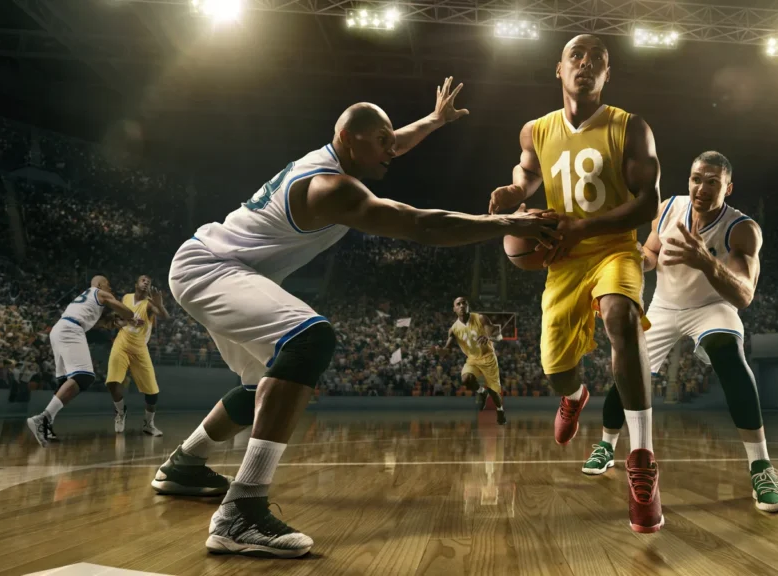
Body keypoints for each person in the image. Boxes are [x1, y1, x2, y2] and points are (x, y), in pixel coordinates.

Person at [153, 79, 560, 558]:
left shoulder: (337, 156)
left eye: (394, 139)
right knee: (310, 339)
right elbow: (419, 224)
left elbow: (395, 142)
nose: (394, 148)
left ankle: (185, 464)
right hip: (212, 269)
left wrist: (433, 120)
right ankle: (241, 511)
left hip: (219, 265)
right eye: (383, 141)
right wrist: (507, 223)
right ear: (350, 140)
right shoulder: (331, 188)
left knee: (261, 382)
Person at [488, 35, 663, 533]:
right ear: (558, 70)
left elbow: (648, 204)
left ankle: (642, 458)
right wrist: (512, 192)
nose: (585, 65)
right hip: (561, 261)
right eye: (576, 58)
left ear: (607, 76)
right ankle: (574, 396)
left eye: (597, 62)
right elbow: (527, 179)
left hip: (612, 249)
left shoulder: (631, 128)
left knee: (620, 318)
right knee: (556, 368)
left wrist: (584, 226)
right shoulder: (535, 131)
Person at [584, 152, 778, 513]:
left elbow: (744, 295)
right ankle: (606, 444)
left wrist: (705, 261)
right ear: (688, 179)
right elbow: (650, 252)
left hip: (712, 307)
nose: (702, 188)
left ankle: (761, 466)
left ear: (728, 187)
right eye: (697, 178)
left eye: (713, 182)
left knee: (728, 352)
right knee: (629, 369)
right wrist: (634, 256)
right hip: (665, 304)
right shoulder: (667, 208)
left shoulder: (742, 229)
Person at [26, 276, 142, 446]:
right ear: (101, 284)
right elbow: (127, 312)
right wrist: (131, 317)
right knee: (84, 376)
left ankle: (46, 424)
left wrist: (120, 322)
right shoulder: (99, 292)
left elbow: (102, 324)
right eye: (109, 286)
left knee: (64, 383)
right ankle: (43, 418)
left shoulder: (84, 300)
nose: (111, 290)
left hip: (59, 329)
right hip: (71, 330)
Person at [105, 274, 170, 436]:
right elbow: (116, 319)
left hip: (140, 348)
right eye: (143, 280)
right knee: (112, 383)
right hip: (121, 343)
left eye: (149, 281)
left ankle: (149, 424)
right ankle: (120, 413)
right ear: (136, 284)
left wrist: (160, 305)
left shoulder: (149, 304)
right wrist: (125, 322)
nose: (146, 282)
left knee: (152, 393)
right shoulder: (126, 298)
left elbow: (165, 317)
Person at [434, 296, 507, 424]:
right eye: (458, 304)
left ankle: (500, 410)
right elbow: (447, 350)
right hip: (473, 359)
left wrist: (488, 336)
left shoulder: (480, 318)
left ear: (468, 306)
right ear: (454, 309)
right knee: (465, 379)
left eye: (464, 303)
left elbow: (497, 335)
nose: (462, 305)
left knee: (494, 391)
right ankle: (481, 392)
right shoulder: (454, 329)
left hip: (488, 357)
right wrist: (439, 351)